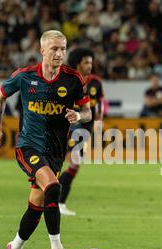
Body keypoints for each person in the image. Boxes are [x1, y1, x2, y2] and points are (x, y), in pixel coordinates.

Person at [0, 30, 91, 249]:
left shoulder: (74, 79)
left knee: (36, 205)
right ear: (42, 50)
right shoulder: (25, 77)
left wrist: (78, 115)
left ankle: (14, 247)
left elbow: (88, 112)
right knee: (54, 187)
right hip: (28, 146)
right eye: (54, 49)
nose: (59, 53)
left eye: (63, 49)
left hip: (54, 152)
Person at [58, 48, 104, 216]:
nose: (90, 66)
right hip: (70, 125)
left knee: (74, 166)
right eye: (86, 62)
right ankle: (58, 200)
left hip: (86, 125)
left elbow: (100, 103)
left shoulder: (96, 82)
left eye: (91, 62)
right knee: (73, 163)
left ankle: (54, 194)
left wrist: (99, 119)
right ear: (78, 63)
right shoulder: (68, 80)